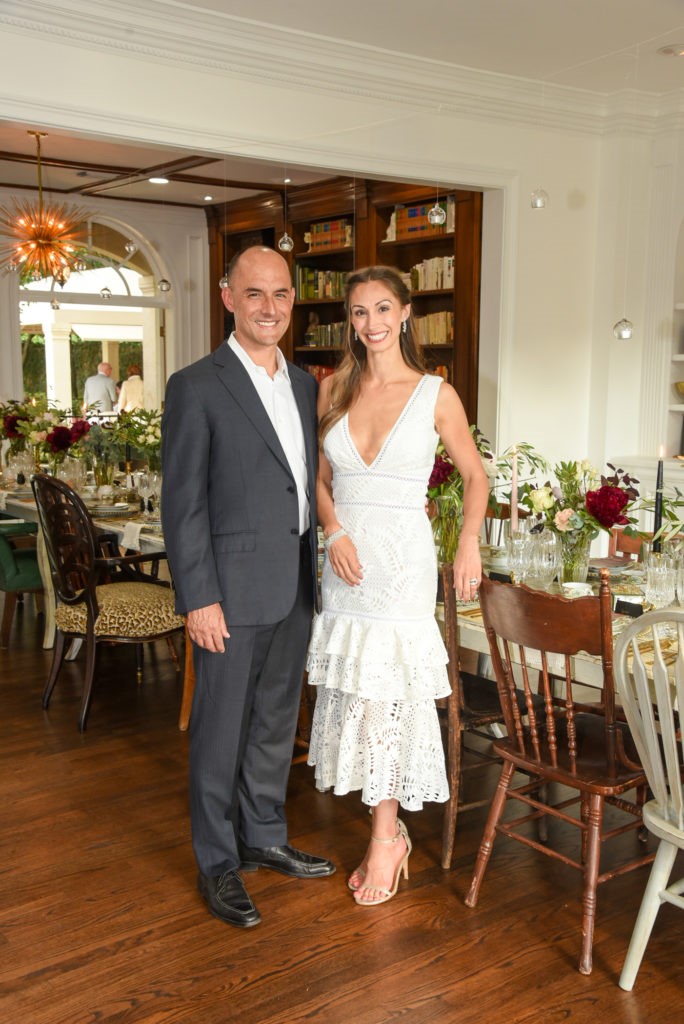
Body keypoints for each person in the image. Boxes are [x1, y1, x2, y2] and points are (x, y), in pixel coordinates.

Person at [161, 246, 335, 930]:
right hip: (227, 595)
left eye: (282, 295)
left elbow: (302, 480)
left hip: (293, 585)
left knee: (271, 725)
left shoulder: (303, 383)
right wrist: (198, 596)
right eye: (255, 294)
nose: (271, 307)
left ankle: (263, 836)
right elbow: (183, 504)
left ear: (294, 301)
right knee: (219, 732)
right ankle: (217, 864)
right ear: (229, 298)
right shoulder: (196, 385)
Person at [306, 265, 489, 907]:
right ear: (349, 322)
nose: (372, 323)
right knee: (359, 692)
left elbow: (475, 477)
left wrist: (467, 543)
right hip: (348, 565)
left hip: (405, 564)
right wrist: (333, 532)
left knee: (389, 698)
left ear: (406, 312)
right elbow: (321, 481)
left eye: (383, 309)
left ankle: (386, 835)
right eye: (360, 313)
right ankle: (387, 826)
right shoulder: (333, 391)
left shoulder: (436, 393)